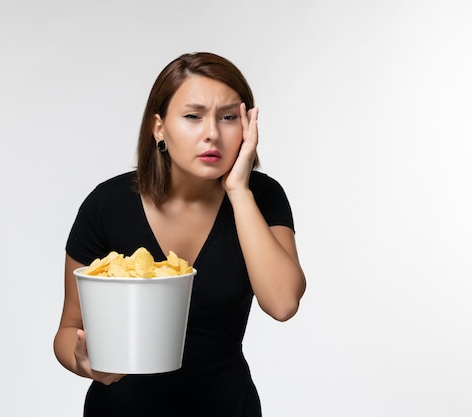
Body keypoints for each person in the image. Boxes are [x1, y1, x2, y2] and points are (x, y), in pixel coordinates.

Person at [54, 52, 306, 416]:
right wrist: (84, 363)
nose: (212, 134)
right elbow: (68, 329)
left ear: (247, 126)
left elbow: (282, 303)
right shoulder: (106, 204)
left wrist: (238, 189)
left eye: (228, 117)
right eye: (193, 116)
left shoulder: (261, 197)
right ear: (159, 127)